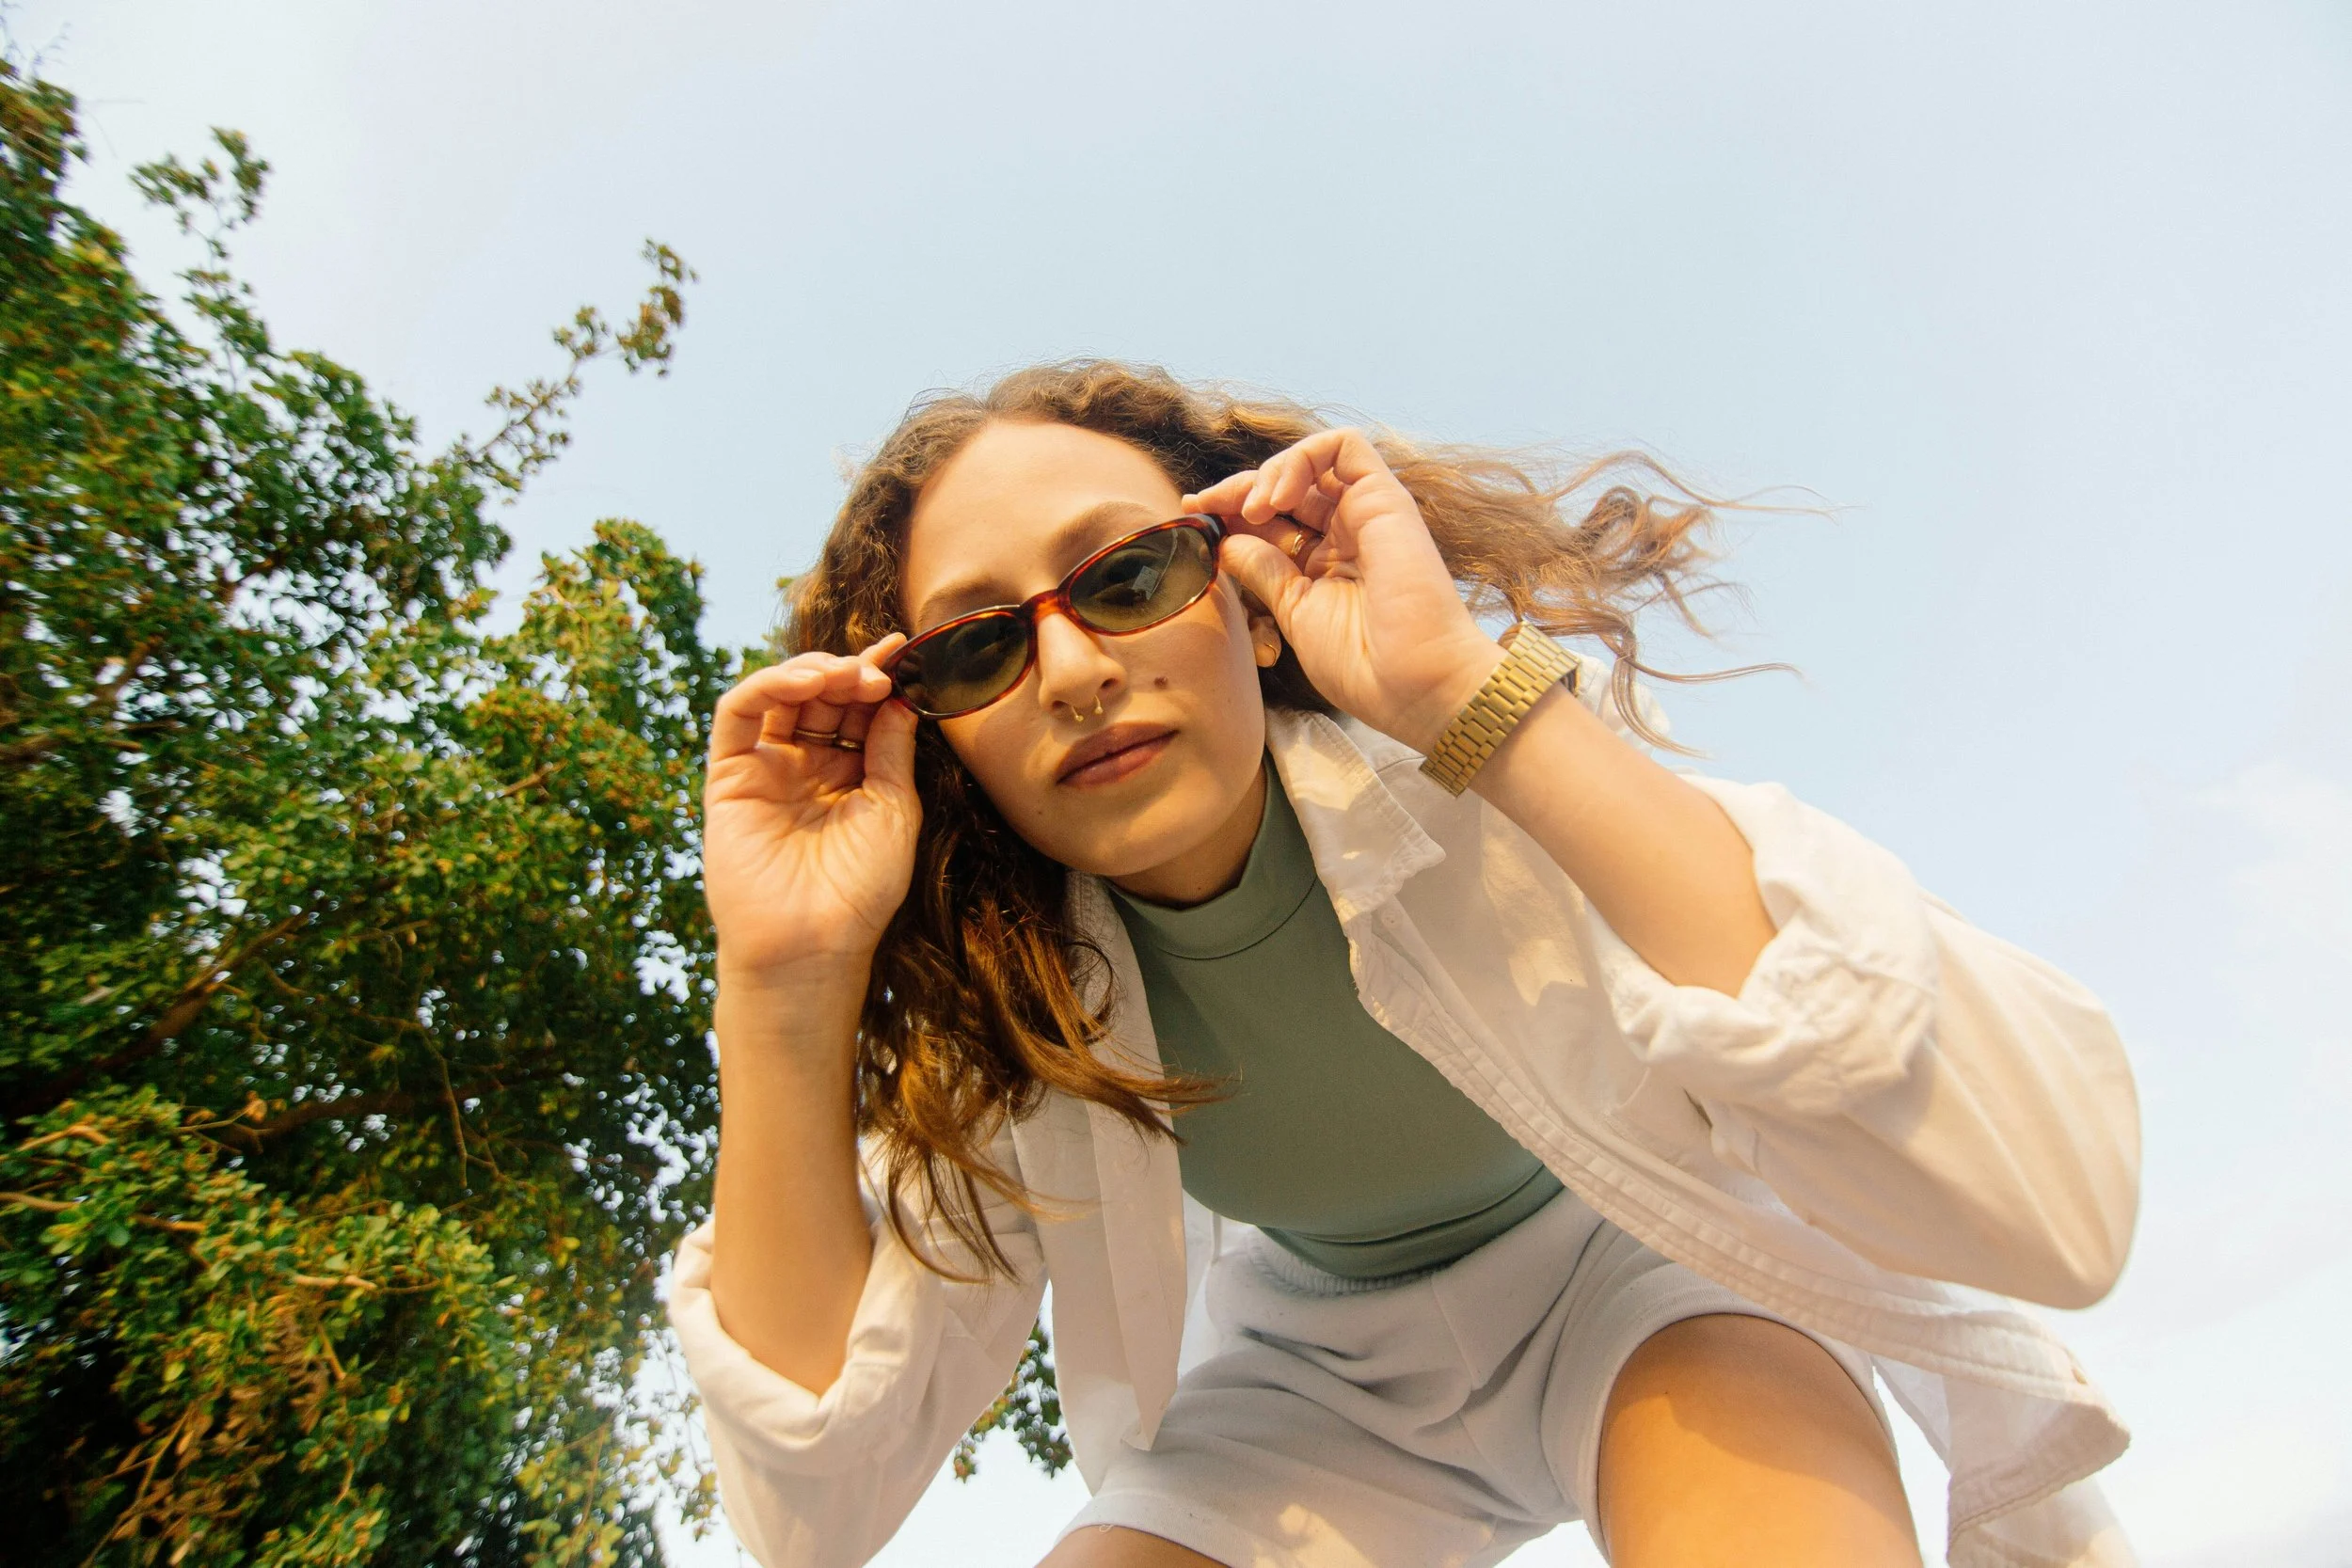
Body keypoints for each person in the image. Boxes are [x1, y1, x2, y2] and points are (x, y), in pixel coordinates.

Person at [670, 362, 2139, 1568]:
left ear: (1241, 591)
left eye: (1124, 574)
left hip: (1650, 1266)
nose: (1069, 670)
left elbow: (2059, 1219)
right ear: (941, 730)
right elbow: (816, 1506)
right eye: (978, 649)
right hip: (1313, 1383)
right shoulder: (1028, 1005)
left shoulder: (1482, 791)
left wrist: (1465, 696)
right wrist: (785, 974)